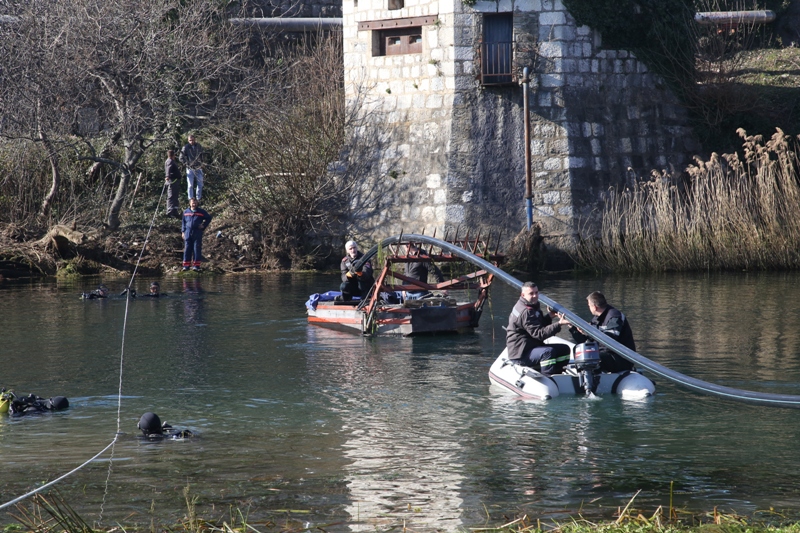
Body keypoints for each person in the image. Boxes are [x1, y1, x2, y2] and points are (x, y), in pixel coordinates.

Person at [505, 281, 571, 376]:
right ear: (523, 295)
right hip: (521, 353)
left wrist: (549, 316)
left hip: (530, 346)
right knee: (547, 352)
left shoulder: (531, 306)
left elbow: (537, 325)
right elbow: (539, 334)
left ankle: (558, 373)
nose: (535, 296)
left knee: (564, 349)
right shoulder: (526, 311)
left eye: (536, 292)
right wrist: (559, 324)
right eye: (531, 293)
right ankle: (547, 378)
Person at [567, 291, 636, 373]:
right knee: (579, 349)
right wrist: (573, 328)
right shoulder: (596, 318)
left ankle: (593, 381)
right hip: (606, 354)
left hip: (621, 358)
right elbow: (587, 340)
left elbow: (609, 339)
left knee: (593, 357)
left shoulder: (614, 316)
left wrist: (589, 331)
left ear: (594, 307)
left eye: (589, 306)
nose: (589, 308)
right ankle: (584, 379)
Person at [181, 198, 212, 272]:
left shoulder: (201, 212)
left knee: (196, 249)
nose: (193, 203)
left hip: (197, 232)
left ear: (197, 203)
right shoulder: (185, 212)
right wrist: (183, 232)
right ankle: (186, 266)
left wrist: (203, 225)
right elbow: (183, 222)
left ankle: (196, 266)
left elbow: (209, 218)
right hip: (188, 232)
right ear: (189, 203)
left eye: (195, 202)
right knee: (187, 249)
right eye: (192, 202)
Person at [179, 134, 204, 201]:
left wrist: (202, 163)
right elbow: (181, 158)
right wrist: (187, 164)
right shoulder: (185, 147)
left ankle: (198, 199)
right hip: (190, 168)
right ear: (188, 140)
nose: (191, 141)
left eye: (192, 140)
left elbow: (202, 155)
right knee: (190, 185)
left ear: (195, 139)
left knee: (200, 184)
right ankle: (190, 199)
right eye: (190, 140)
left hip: (198, 167)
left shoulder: (198, 146)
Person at [164, 149, 182, 218]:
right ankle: (170, 212)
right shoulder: (169, 161)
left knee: (175, 196)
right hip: (172, 181)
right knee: (171, 196)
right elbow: (168, 169)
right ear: (173, 155)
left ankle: (175, 210)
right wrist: (167, 176)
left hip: (176, 181)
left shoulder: (172, 161)